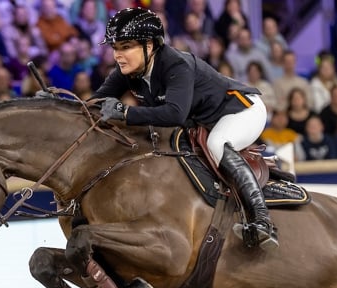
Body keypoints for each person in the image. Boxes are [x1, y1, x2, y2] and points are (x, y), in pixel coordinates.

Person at [92, 8, 276, 250]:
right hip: (205, 120)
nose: (118, 55)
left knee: (217, 144)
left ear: (149, 46)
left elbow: (174, 114)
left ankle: (261, 220)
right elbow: (95, 103)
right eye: (115, 48)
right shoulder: (129, 71)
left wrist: (126, 113)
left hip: (242, 111)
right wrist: (58, 105)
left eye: (125, 47)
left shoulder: (176, 64)